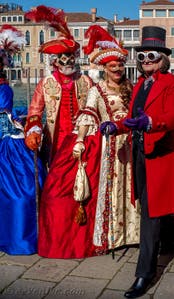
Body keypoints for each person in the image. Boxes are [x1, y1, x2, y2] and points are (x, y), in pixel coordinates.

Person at [100, 26, 174, 298]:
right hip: (141, 153)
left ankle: (145, 273)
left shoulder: (173, 83)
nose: (146, 61)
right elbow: (133, 118)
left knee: (151, 214)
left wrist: (151, 122)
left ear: (163, 58)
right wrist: (116, 126)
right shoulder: (141, 84)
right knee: (148, 203)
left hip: (163, 156)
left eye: (151, 56)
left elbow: (173, 118)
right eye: (141, 57)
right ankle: (169, 240)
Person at [38, 25, 140, 259]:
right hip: (105, 146)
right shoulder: (96, 89)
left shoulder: (129, 87)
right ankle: (111, 236)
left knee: (131, 188)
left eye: (120, 65)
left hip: (130, 144)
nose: (117, 69)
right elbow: (89, 113)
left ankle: (131, 235)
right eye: (113, 66)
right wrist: (81, 140)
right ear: (104, 68)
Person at [24, 5, 93, 167]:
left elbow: (95, 109)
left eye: (71, 56)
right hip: (55, 142)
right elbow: (34, 111)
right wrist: (33, 129)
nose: (68, 61)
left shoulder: (86, 82)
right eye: (63, 57)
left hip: (81, 140)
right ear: (55, 61)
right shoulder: (46, 83)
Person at [0, 25, 47, 255]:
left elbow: (5, 112)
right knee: (23, 191)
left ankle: (19, 236)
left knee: (23, 191)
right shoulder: (4, 88)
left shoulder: (4, 88)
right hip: (7, 141)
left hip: (8, 140)